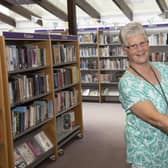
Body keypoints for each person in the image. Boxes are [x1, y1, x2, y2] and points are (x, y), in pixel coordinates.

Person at [118, 22, 168, 168]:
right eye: (133, 46)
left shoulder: (163, 68)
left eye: (142, 43)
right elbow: (157, 119)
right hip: (146, 151)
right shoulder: (127, 83)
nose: (140, 49)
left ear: (148, 44)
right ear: (125, 50)